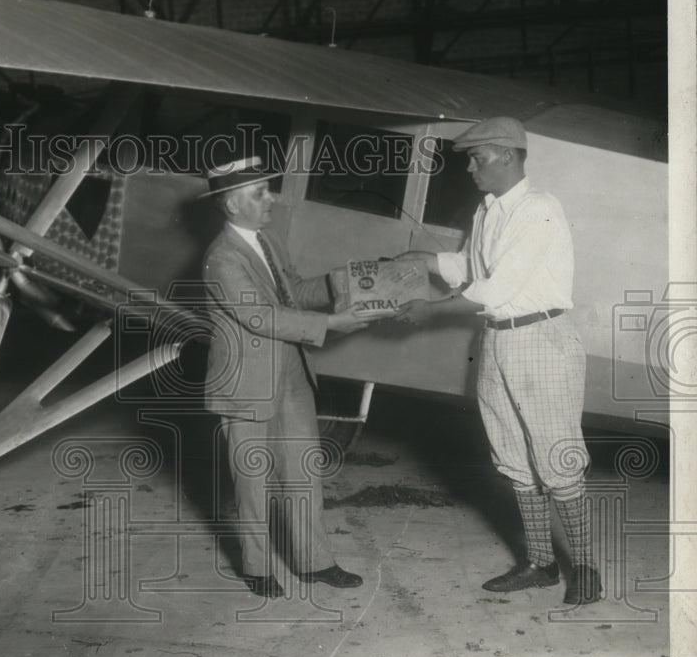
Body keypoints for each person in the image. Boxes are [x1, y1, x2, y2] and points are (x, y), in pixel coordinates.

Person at [395, 117, 601, 606]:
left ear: (508, 156)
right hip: (498, 341)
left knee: (557, 458)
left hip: (541, 339)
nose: (469, 168)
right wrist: (422, 261)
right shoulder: (488, 210)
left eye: (478, 157)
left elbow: (496, 288)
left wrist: (432, 309)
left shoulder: (538, 209)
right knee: (513, 457)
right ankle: (539, 562)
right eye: (469, 159)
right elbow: (470, 268)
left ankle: (587, 568)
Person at [200, 155, 377, 598]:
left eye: (268, 188)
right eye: (260, 192)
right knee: (253, 483)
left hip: (291, 376)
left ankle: (315, 562)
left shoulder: (268, 241)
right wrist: (331, 326)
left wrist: (348, 280)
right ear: (230, 205)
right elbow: (261, 317)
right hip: (245, 386)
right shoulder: (221, 258)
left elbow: (293, 291)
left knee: (303, 476)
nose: (272, 198)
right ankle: (257, 567)